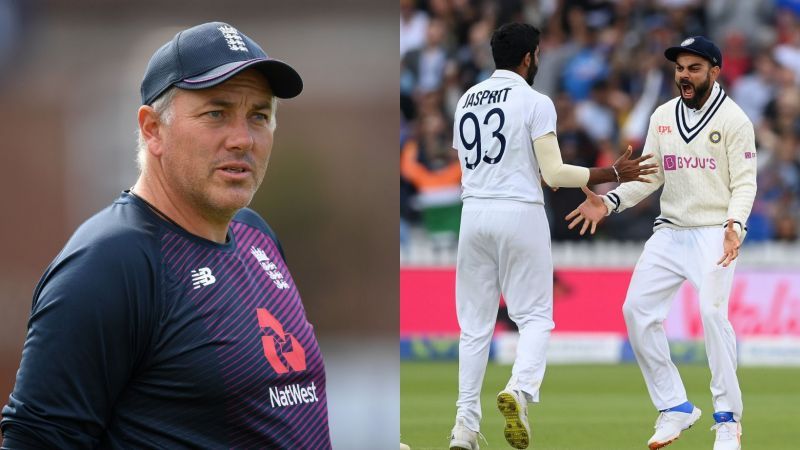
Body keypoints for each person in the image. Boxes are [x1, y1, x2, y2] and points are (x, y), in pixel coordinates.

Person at [0, 22, 331, 449]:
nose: (243, 139)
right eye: (216, 113)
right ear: (153, 129)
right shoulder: (109, 264)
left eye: (259, 116)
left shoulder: (257, 237)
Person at [449, 22, 657, 450]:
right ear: (529, 58)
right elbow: (555, 174)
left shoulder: (466, 99)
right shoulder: (535, 100)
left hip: (472, 214)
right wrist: (612, 174)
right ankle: (520, 390)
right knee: (536, 317)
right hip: (519, 212)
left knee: (473, 328)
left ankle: (464, 429)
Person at [566, 36, 756, 450]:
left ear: (714, 72)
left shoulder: (735, 120)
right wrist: (611, 201)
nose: (684, 76)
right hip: (670, 230)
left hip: (713, 231)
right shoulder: (663, 116)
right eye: (679, 69)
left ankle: (728, 420)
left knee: (711, 314)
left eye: (693, 68)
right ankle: (675, 406)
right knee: (636, 311)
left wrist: (733, 226)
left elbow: (745, 183)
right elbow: (650, 178)